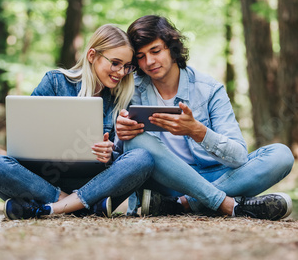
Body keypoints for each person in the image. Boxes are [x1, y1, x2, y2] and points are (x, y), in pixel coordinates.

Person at [116, 15, 294, 220]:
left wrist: (197, 131)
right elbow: (125, 160)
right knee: (135, 140)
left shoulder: (209, 89)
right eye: (141, 56)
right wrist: (121, 137)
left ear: (172, 48)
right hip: (167, 183)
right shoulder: (131, 89)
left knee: (281, 155)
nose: (149, 62)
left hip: (216, 176)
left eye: (155, 51)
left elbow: (239, 157)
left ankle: (182, 205)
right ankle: (228, 204)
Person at [0, 24, 154, 220]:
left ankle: (46, 208)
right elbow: (23, 137)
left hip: (95, 184)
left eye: (127, 66)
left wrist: (109, 154)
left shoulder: (121, 100)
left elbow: (121, 160)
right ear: (92, 56)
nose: (121, 72)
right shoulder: (55, 82)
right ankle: (75, 206)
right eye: (115, 63)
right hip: (44, 180)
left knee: (143, 158)